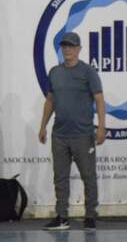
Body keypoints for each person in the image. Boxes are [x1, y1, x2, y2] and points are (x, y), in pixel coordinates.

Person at [38, 31, 106, 231]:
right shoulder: (55, 72)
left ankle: (90, 216)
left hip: (83, 134)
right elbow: (50, 100)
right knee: (60, 177)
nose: (67, 49)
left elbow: (99, 100)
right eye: (65, 46)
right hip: (59, 135)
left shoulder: (88, 72)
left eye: (71, 46)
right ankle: (61, 217)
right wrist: (42, 126)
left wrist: (101, 127)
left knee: (88, 176)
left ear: (79, 49)